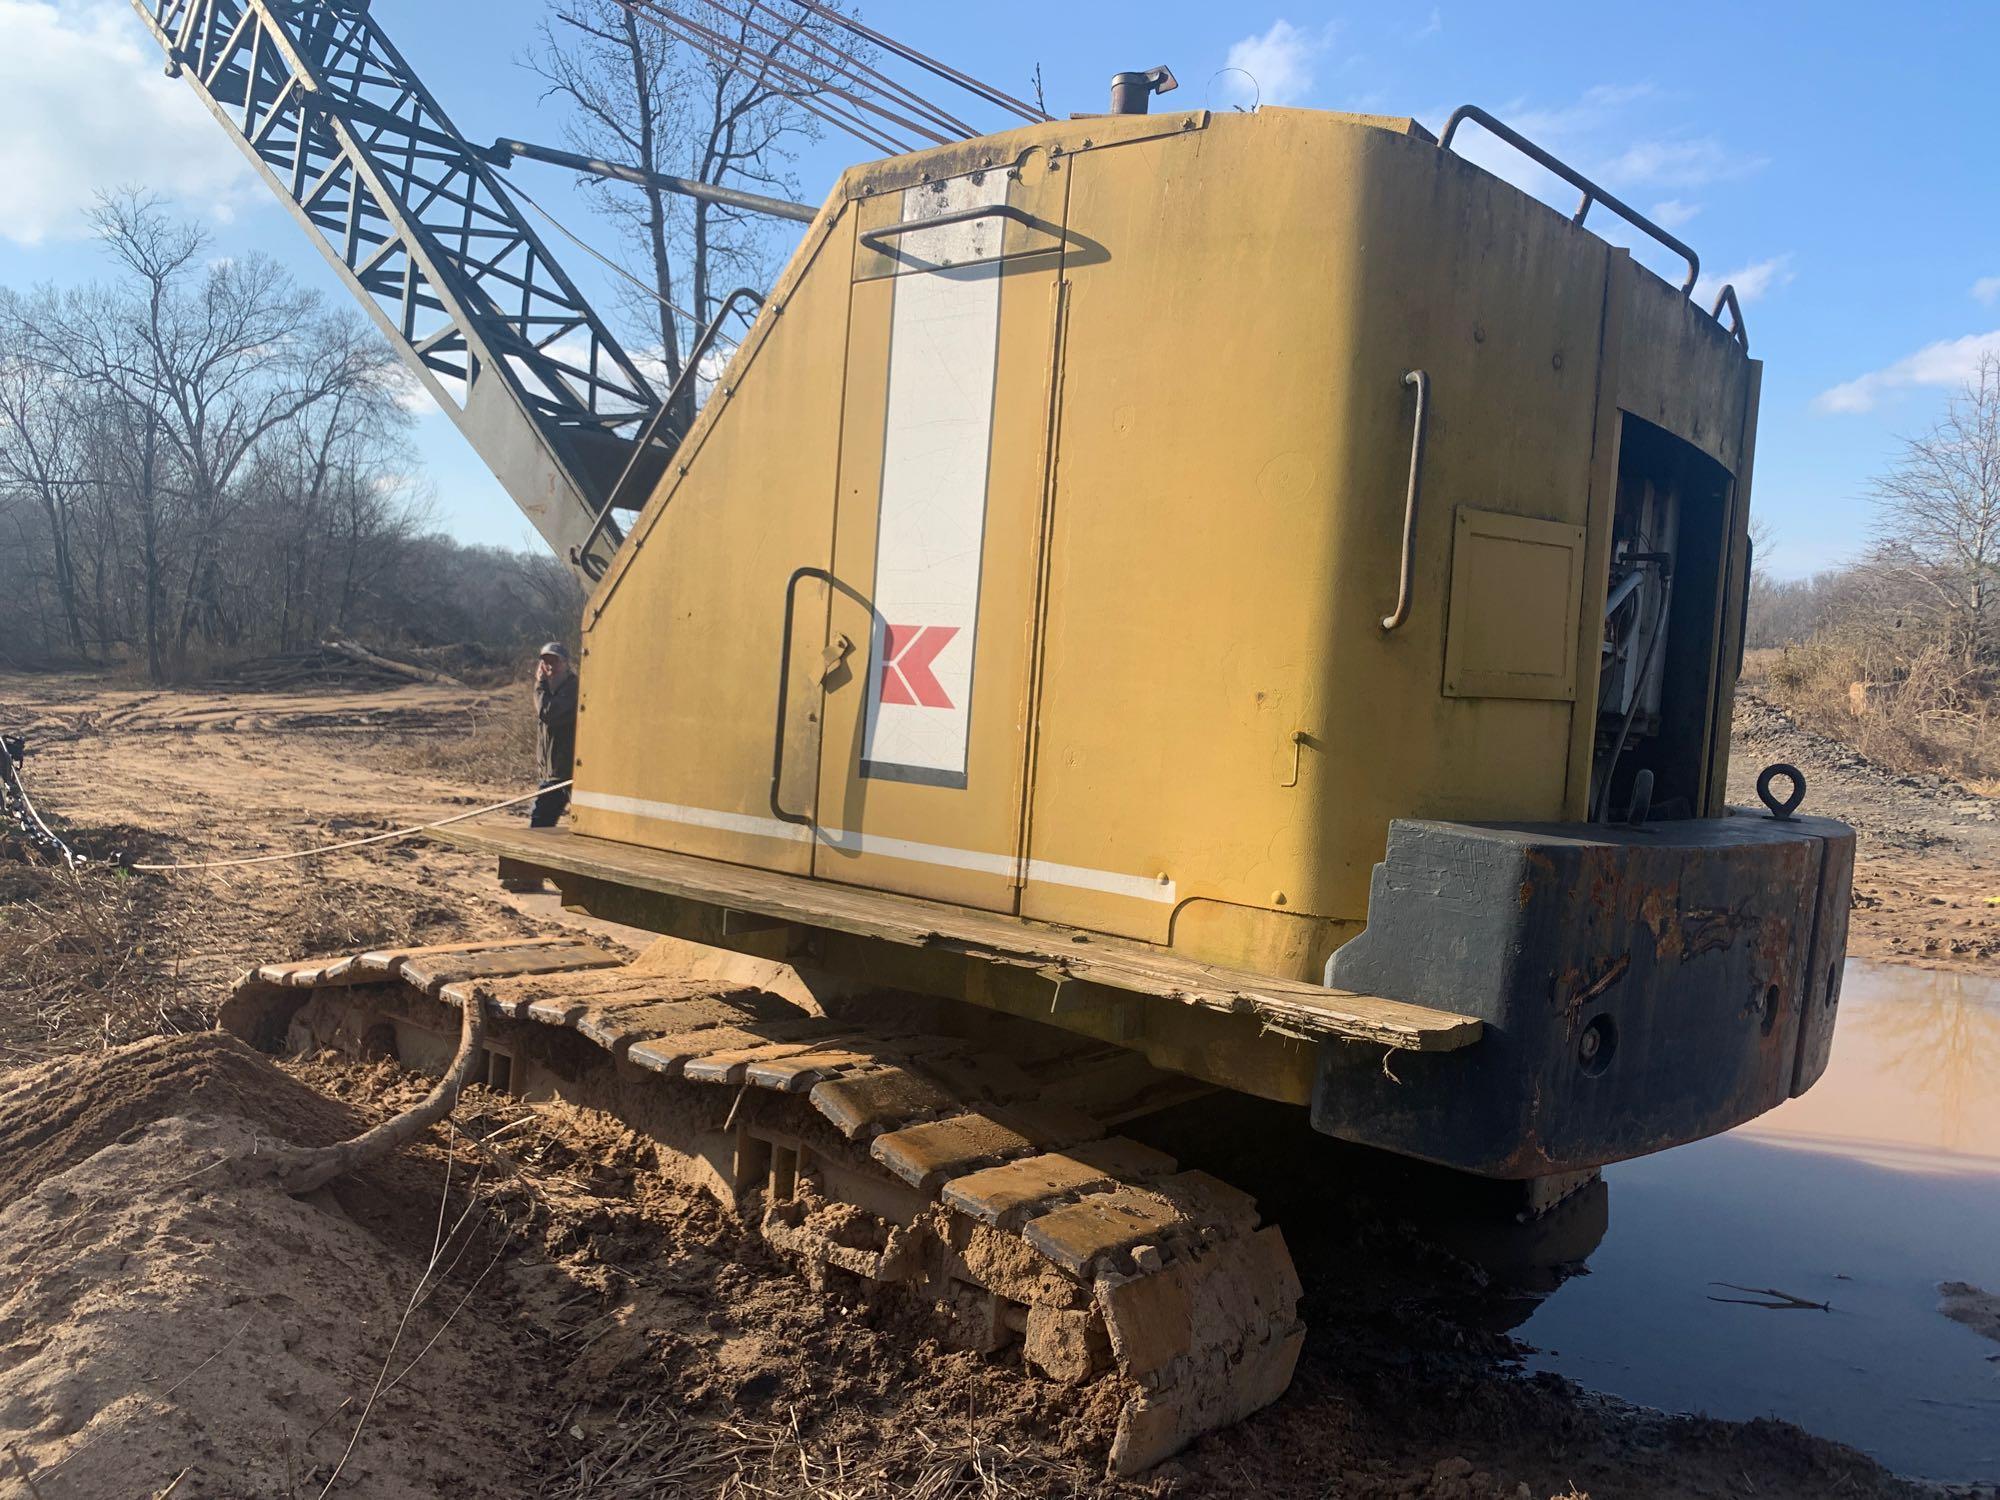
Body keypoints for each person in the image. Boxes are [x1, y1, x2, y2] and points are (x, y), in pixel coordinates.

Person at [531, 641, 578, 829]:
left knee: (539, 825)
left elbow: (548, 713)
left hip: (565, 773)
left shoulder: (572, 688)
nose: (549, 666)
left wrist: (540, 684)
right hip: (551, 773)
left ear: (566, 663)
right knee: (543, 824)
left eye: (555, 661)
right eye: (545, 661)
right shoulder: (550, 690)